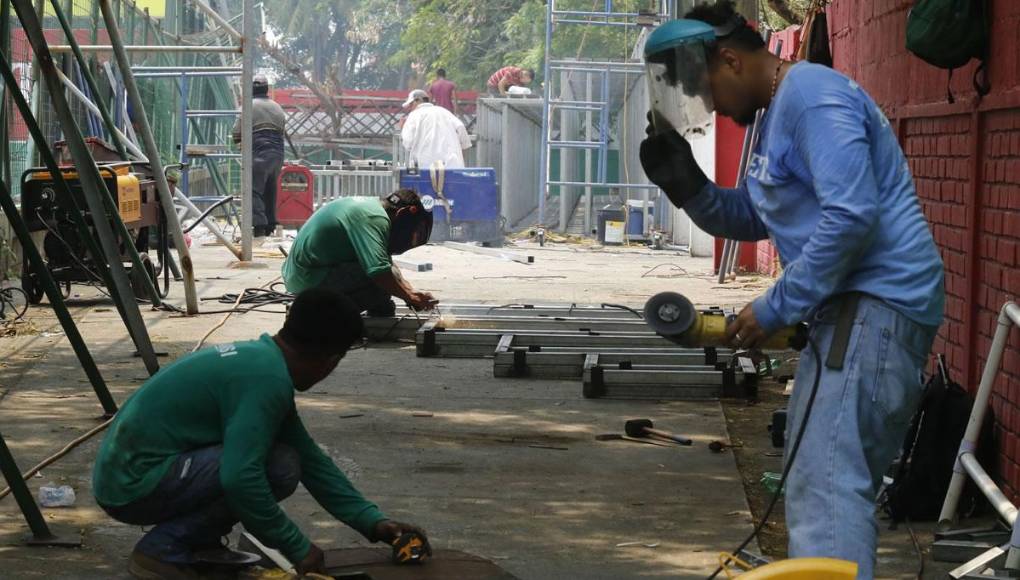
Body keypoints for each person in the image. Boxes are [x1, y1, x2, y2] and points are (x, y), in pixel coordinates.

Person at [638, 2, 943, 578]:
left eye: (705, 90)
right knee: (814, 476)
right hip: (851, 313)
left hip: (875, 307)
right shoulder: (773, 113)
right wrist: (691, 188)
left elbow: (851, 216)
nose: (708, 107)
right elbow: (758, 215)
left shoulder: (810, 96)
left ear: (729, 59)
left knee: (828, 485)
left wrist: (775, 305)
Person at [92, 288, 429, 579]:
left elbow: (312, 461)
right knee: (277, 467)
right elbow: (241, 478)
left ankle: (195, 543)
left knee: (284, 457)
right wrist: (297, 547)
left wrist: (373, 522)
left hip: (134, 473)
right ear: (330, 358)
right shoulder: (266, 380)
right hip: (132, 484)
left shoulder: (263, 362)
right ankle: (163, 550)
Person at [282, 189, 438, 316]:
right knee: (380, 287)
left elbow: (386, 263)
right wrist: (408, 296)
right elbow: (379, 271)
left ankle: (375, 308)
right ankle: (313, 314)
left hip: (308, 271)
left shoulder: (372, 208)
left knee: (387, 284)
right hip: (309, 277)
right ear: (403, 214)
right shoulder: (374, 218)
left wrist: (411, 293)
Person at [232, 74, 288, 243]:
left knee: (253, 190)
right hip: (277, 154)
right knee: (270, 189)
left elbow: (236, 132)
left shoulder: (247, 106)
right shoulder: (278, 108)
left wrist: (239, 143)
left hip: (258, 153)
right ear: (267, 89)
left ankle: (259, 228)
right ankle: (271, 224)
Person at [400, 89, 471, 170]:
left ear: (417, 101)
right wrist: (461, 153)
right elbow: (461, 127)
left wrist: (403, 129)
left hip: (426, 168)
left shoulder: (414, 115)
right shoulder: (443, 111)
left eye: (411, 104)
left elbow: (408, 143)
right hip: (453, 166)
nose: (410, 108)